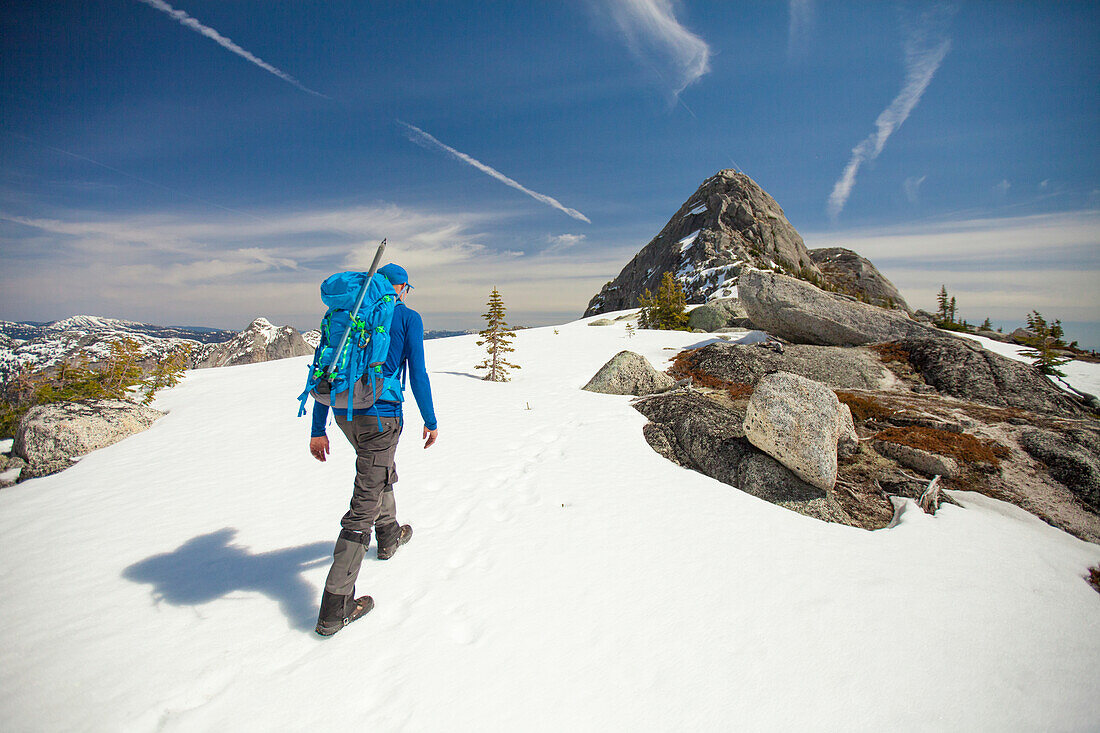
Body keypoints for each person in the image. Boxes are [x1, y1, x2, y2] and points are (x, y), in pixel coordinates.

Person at [309, 263, 438, 636]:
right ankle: (336, 605)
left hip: (345, 414)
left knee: (378, 470)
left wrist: (319, 428)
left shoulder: (344, 317)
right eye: (407, 288)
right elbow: (418, 374)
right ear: (398, 287)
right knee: (364, 498)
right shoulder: (407, 317)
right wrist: (430, 419)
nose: (406, 293)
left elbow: (327, 372)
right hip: (382, 416)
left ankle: (389, 535)